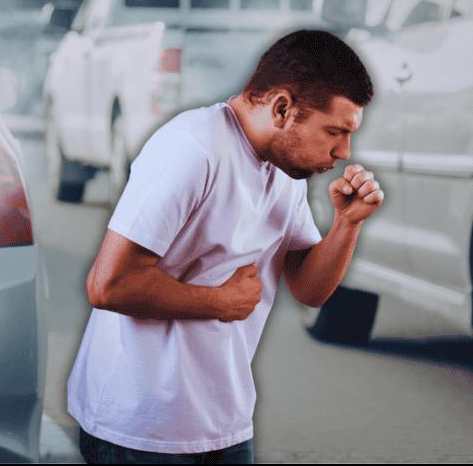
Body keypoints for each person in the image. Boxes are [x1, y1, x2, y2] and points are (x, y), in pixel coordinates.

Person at [69, 29, 383, 464]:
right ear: (282, 109)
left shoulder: (284, 169)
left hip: (224, 423)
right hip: (140, 430)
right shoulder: (192, 148)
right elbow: (108, 285)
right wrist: (218, 301)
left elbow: (310, 291)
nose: (345, 152)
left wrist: (346, 225)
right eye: (335, 131)